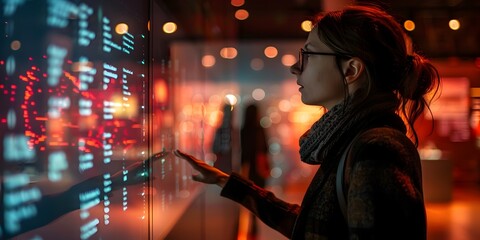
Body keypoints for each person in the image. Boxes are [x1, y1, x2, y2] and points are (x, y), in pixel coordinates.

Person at [174, 4, 440, 240]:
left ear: (351, 70)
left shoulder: (376, 149)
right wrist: (228, 183)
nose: (296, 68)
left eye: (309, 56)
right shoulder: (353, 139)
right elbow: (317, 227)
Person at [240, 103, 271, 238]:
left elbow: (243, 153)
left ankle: (248, 228)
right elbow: (265, 149)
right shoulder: (260, 129)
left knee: (247, 198)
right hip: (258, 169)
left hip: (247, 169)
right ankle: (254, 228)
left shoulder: (242, 130)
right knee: (258, 197)